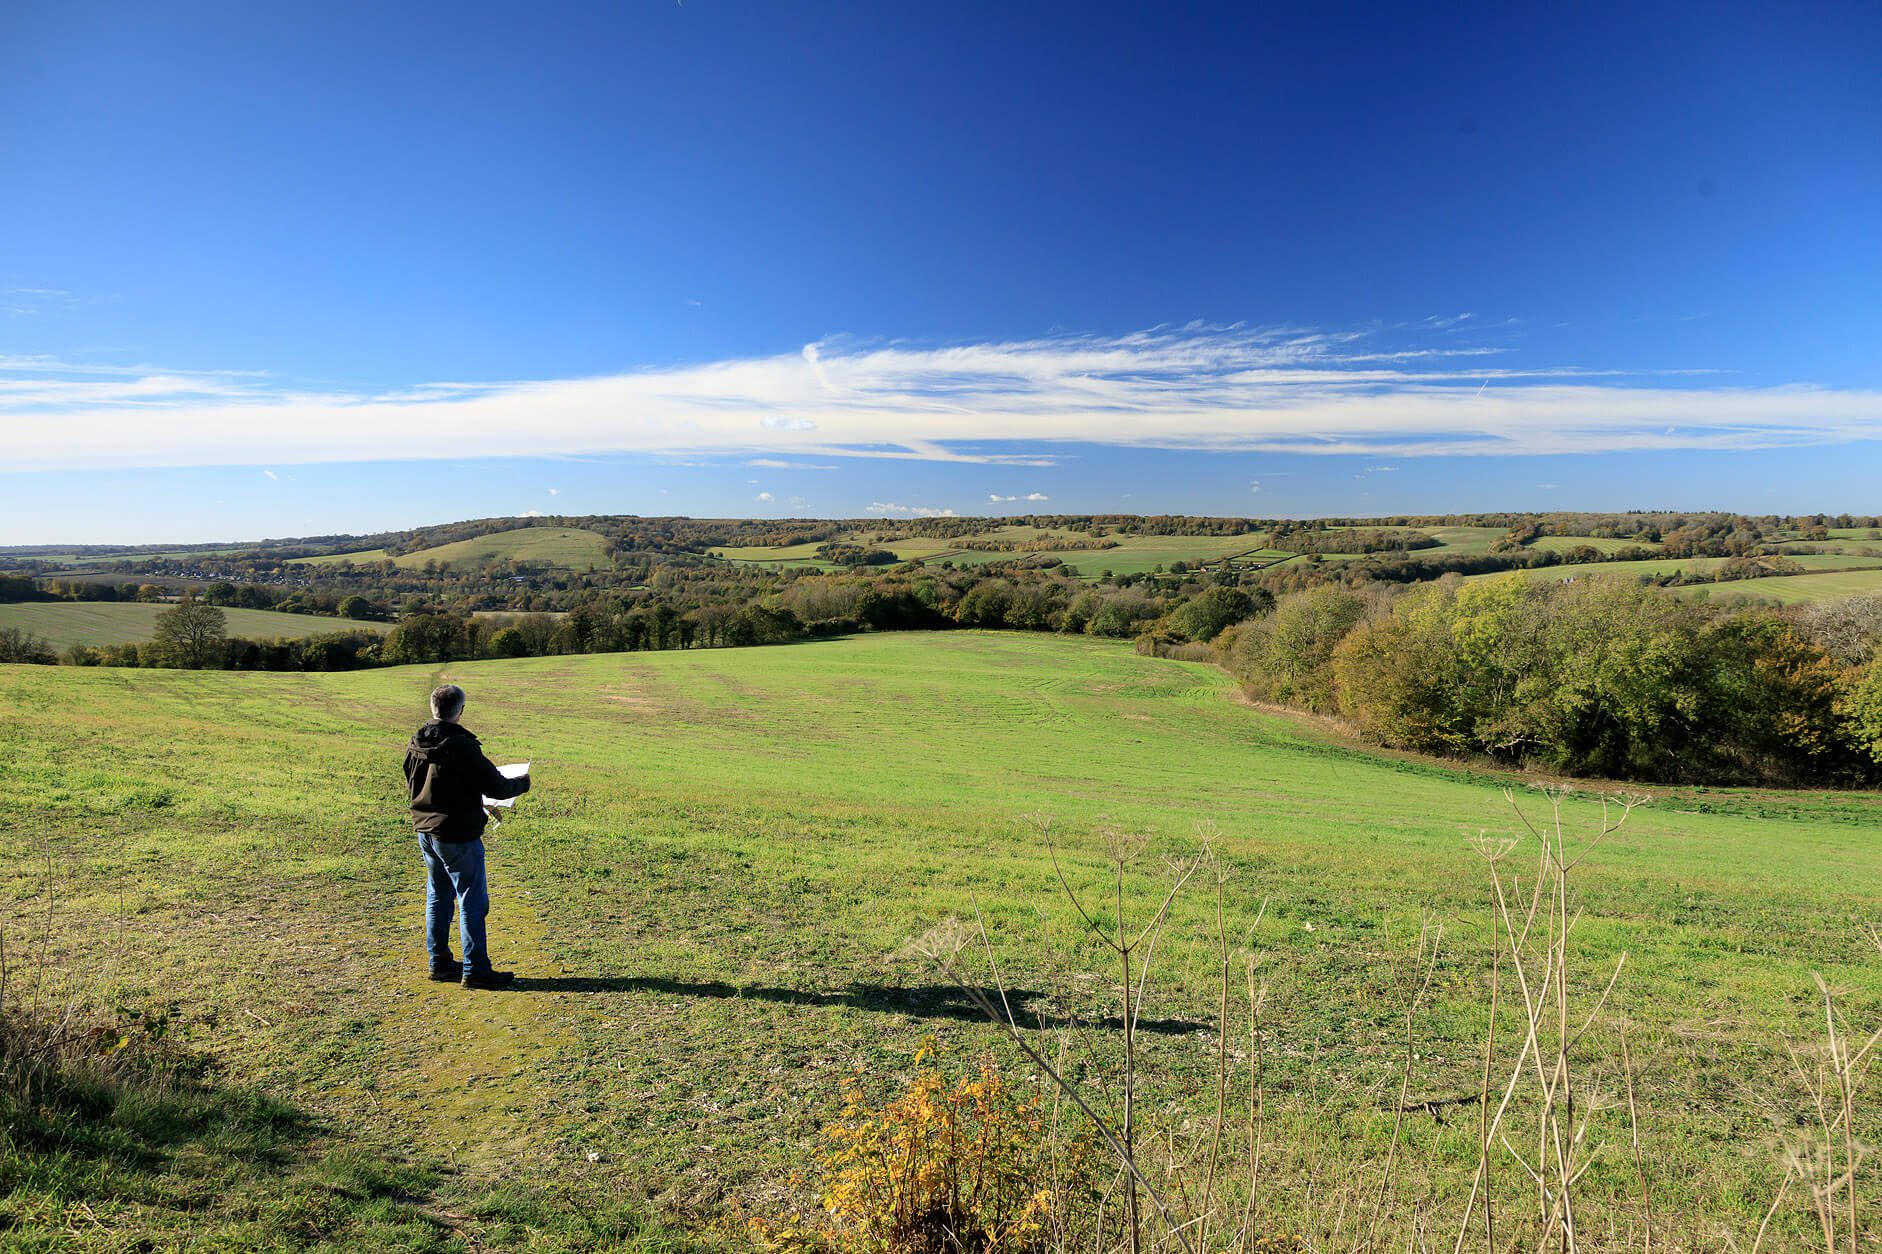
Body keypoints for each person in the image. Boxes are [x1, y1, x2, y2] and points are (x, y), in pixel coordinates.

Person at [404, 683, 530, 989]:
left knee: (438, 895)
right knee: (472, 901)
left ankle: (440, 963)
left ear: (434, 708)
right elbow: (498, 787)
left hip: (427, 831)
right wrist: (523, 784)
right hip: (458, 836)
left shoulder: (415, 742)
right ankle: (475, 970)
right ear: (460, 710)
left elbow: (420, 781)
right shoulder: (462, 746)